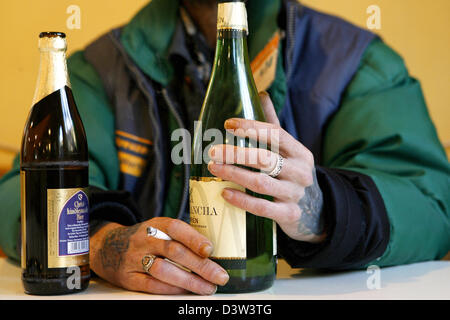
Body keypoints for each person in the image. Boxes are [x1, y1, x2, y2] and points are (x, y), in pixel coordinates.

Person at [0, 0, 449, 295]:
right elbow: (17, 194)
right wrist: (101, 242)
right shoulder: (96, 70)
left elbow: (432, 203)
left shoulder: (357, 61)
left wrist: (321, 206)